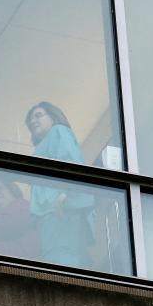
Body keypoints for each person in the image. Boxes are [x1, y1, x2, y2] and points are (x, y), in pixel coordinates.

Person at [25, 102, 94, 266]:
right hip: (51, 211)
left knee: (61, 256)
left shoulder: (58, 131)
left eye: (38, 115)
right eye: (30, 119)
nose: (33, 121)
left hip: (61, 208)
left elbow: (70, 160)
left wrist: (65, 193)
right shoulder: (44, 144)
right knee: (59, 256)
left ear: (53, 117)